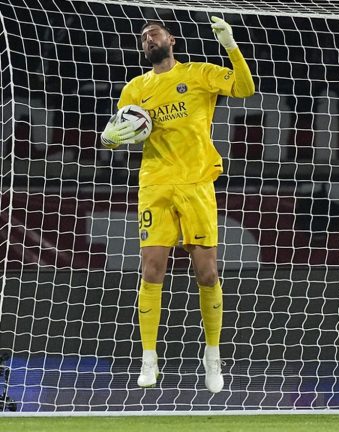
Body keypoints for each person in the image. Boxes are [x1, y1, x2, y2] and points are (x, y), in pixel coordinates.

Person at [101, 17, 255, 393]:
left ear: (172, 40)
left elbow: (245, 89)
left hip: (197, 183)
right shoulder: (136, 88)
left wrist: (230, 45)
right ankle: (149, 358)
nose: (148, 38)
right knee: (152, 269)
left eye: (154, 32)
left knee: (207, 273)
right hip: (155, 183)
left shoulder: (200, 74)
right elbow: (121, 133)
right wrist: (109, 139)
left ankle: (213, 355)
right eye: (143, 37)